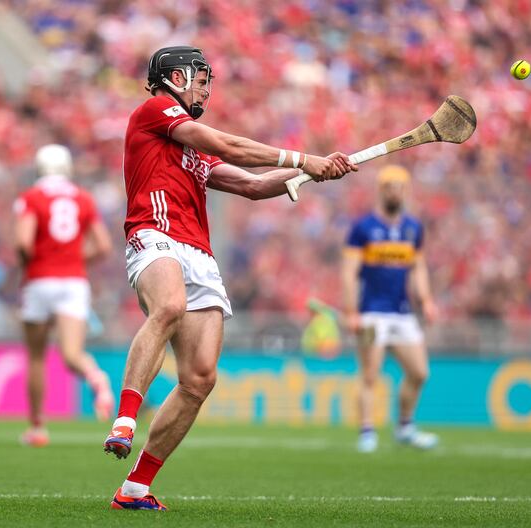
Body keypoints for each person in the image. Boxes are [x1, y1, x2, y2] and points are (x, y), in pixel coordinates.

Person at [104, 46, 357, 511]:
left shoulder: (193, 149)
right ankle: (124, 419)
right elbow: (230, 145)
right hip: (154, 232)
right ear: (176, 78)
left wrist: (315, 172)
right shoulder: (155, 110)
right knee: (169, 306)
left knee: (199, 379)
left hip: (198, 253)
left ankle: (134, 489)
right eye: (201, 80)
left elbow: (252, 185)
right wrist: (304, 158)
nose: (206, 90)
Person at [14, 144, 115, 447]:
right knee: (72, 354)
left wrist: (28, 266)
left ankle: (37, 427)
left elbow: (23, 242)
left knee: (36, 357)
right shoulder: (83, 197)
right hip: (74, 282)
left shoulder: (32, 197)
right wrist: (74, 261)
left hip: (40, 280)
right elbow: (103, 245)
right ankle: (95, 376)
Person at [341, 165, 439, 453]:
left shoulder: (413, 229)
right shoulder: (363, 228)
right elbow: (349, 272)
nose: (395, 193)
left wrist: (426, 300)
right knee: (370, 373)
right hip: (371, 313)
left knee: (419, 372)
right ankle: (367, 432)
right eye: (390, 188)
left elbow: (418, 268)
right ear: (381, 191)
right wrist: (351, 311)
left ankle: (405, 427)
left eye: (400, 188)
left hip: (401, 313)